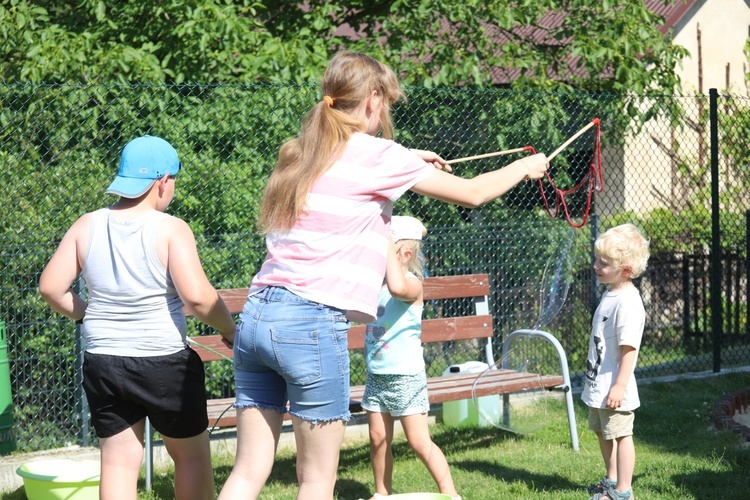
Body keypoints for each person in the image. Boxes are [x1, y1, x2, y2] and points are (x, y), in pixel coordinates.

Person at [218, 51, 548, 500]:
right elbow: (472, 193)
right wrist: (524, 168)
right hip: (310, 325)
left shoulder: (301, 152)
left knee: (247, 471)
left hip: (257, 318)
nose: (386, 111)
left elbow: (345, 167)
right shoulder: (377, 156)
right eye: (386, 102)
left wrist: (408, 157)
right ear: (372, 99)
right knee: (316, 482)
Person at [39, 135, 237, 500]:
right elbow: (197, 297)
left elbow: (51, 288)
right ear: (162, 181)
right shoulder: (171, 228)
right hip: (163, 361)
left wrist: (88, 315)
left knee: (117, 461)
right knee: (191, 457)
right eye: (174, 180)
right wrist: (231, 331)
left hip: (103, 361)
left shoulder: (88, 224)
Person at [362, 216, 460, 500]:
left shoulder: (412, 286)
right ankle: (382, 493)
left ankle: (451, 493)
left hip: (405, 377)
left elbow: (397, 289)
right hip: (377, 376)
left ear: (405, 255)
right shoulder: (375, 287)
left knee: (419, 442)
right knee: (378, 439)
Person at [582, 223, 650, 500]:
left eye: (604, 263)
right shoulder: (610, 293)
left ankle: (623, 491)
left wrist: (619, 386)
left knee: (621, 435)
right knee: (602, 432)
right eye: (597, 259)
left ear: (626, 270)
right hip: (599, 383)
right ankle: (611, 480)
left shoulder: (628, 303)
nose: (596, 266)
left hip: (614, 387)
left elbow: (629, 349)